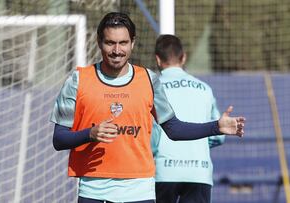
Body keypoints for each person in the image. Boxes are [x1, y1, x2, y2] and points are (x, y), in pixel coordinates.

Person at [50, 12, 245, 203]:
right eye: (110, 43)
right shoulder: (78, 80)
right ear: (99, 42)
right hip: (93, 192)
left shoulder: (149, 80)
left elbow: (174, 129)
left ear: (132, 43)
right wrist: (90, 134)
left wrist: (216, 127)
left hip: (139, 192)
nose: (117, 50)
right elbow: (59, 139)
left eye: (123, 43)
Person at [152, 34, 225, 203]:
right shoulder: (204, 89)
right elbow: (219, 136)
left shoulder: (153, 88)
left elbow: (150, 134)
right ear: (183, 57)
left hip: (163, 172)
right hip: (199, 172)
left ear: (157, 59)